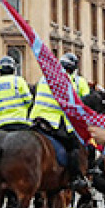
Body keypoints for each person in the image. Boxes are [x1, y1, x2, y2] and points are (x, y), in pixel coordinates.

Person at [29, 53, 91, 190]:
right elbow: (74, 107)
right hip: (53, 121)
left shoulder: (44, 78)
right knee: (74, 146)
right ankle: (75, 178)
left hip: (36, 119)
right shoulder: (68, 81)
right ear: (73, 68)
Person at [0, 56, 31, 130]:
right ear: (13, 69)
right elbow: (28, 100)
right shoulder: (19, 81)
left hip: (1, 123)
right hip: (20, 121)